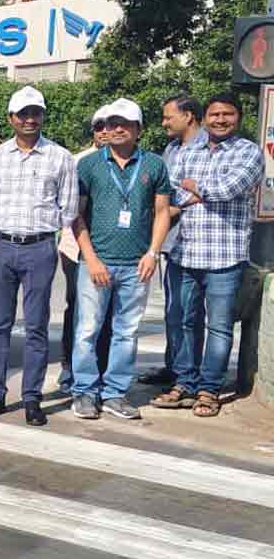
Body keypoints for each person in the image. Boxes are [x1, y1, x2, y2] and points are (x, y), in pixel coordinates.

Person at [152, 93, 263, 418]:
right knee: (184, 322)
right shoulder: (189, 150)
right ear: (206, 117)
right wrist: (197, 190)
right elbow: (171, 190)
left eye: (228, 114)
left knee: (219, 327)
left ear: (238, 117)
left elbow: (230, 188)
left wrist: (195, 187)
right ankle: (184, 384)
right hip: (184, 252)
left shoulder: (249, 152)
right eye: (215, 114)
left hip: (224, 256)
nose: (220, 119)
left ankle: (209, 389)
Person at [0, 85, 77, 426]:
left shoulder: (60, 157)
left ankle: (32, 398)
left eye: (35, 113)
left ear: (43, 116)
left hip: (39, 248)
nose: (30, 119)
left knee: (36, 325)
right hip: (2, 245)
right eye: (23, 114)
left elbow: (69, 208)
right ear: (11, 119)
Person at [70, 99, 171, 420]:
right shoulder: (88, 165)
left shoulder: (155, 165)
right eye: (111, 123)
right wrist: (91, 258)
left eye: (124, 123)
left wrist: (153, 252)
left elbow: (161, 212)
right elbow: (77, 217)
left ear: (138, 129)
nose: (115, 129)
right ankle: (84, 392)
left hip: (137, 264)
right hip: (95, 263)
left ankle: (115, 393)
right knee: (87, 329)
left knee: (126, 331)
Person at [140, 94, 207, 387]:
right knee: (174, 311)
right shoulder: (171, 149)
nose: (164, 122)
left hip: (202, 243)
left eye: (169, 117)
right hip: (173, 243)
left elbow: (199, 193)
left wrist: (173, 208)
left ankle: (188, 375)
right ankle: (174, 367)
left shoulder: (209, 147)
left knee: (192, 314)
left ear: (189, 115)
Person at [56, 108, 113, 395]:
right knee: (77, 309)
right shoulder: (76, 161)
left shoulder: (133, 163)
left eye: (110, 125)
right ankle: (69, 367)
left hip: (114, 251)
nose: (104, 131)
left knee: (108, 313)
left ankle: (101, 370)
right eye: (98, 126)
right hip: (74, 248)